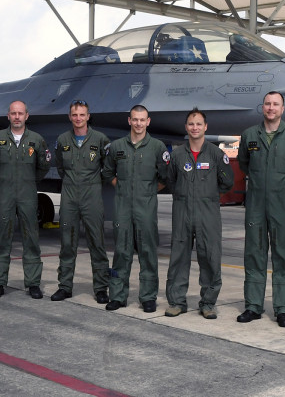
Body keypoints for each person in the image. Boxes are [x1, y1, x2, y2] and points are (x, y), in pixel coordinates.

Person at [236, 91, 285, 327]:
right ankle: (253, 306)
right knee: (254, 254)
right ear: (262, 107)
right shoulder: (249, 135)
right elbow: (244, 163)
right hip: (256, 204)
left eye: (276, 104)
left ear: (283, 109)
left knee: (284, 256)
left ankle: (283, 308)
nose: (271, 107)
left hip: (282, 206)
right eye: (267, 103)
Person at [165, 109, 234, 319]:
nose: (195, 127)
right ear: (186, 127)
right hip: (182, 212)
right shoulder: (177, 155)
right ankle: (177, 301)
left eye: (198, 124)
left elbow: (227, 182)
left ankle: (208, 303)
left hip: (208, 214)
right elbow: (170, 181)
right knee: (178, 257)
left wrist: (208, 196)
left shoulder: (216, 154)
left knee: (210, 258)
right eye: (191, 124)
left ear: (205, 127)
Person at [102, 105, 169, 313]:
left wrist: (147, 192)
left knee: (148, 253)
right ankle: (118, 296)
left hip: (146, 210)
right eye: (135, 119)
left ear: (148, 121)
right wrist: (121, 188)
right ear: (129, 121)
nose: (138, 123)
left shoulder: (158, 147)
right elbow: (107, 173)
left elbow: (165, 178)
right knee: (121, 252)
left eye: (142, 120)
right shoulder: (117, 147)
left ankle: (148, 297)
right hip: (123, 208)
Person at [0, 100, 51, 300]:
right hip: (5, 194)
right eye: (13, 113)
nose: (16, 117)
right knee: (2, 239)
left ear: (26, 116)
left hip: (27, 194)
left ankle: (33, 283)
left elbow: (43, 167)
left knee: (31, 239)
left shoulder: (37, 140)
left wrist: (28, 181)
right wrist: (6, 180)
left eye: (20, 113)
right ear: (8, 116)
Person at [51, 100, 110, 303]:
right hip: (69, 195)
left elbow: (107, 166)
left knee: (97, 242)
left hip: (91, 195)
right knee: (67, 242)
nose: (78, 118)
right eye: (75, 115)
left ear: (88, 116)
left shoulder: (100, 139)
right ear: (70, 117)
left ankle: (101, 288)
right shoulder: (62, 139)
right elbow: (60, 165)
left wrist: (90, 182)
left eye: (82, 115)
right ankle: (65, 286)